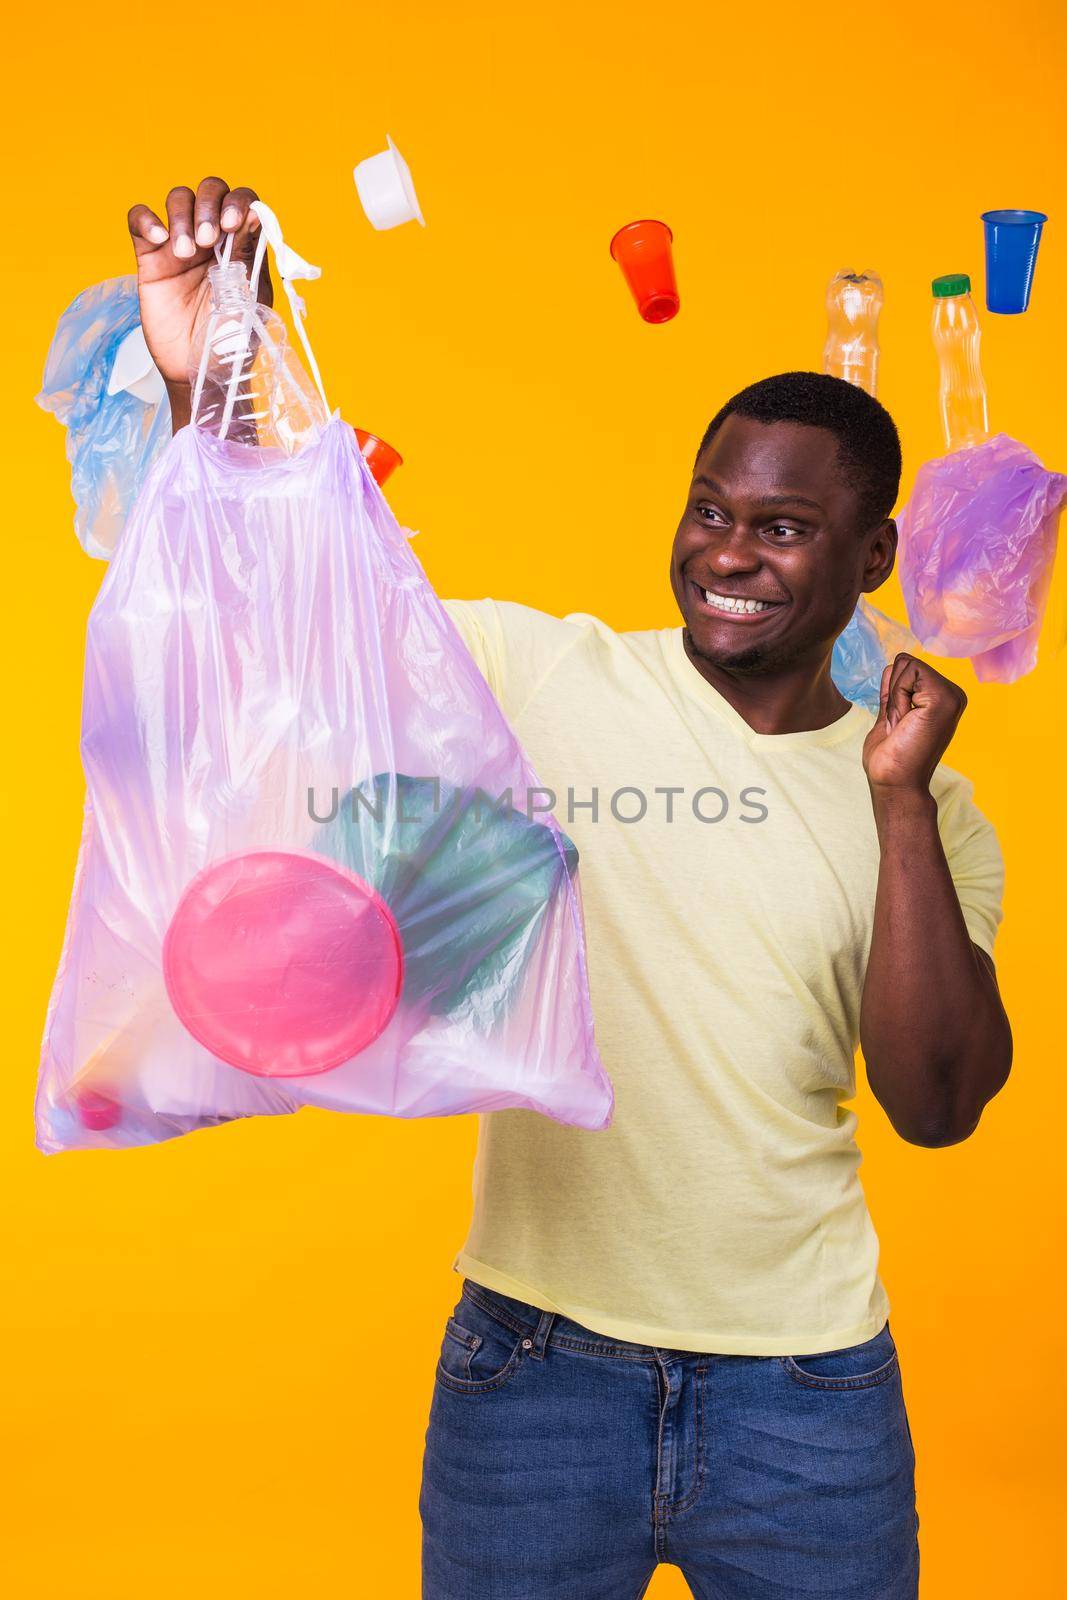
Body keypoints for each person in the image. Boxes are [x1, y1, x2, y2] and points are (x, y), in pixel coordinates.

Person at [128, 180, 1012, 1600]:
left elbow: (940, 1100)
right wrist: (214, 358)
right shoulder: (544, 675)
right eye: (712, 508)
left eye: (783, 528)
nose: (728, 552)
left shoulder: (934, 806)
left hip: (809, 1394)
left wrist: (897, 799)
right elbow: (280, 604)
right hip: (533, 1375)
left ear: (872, 555)